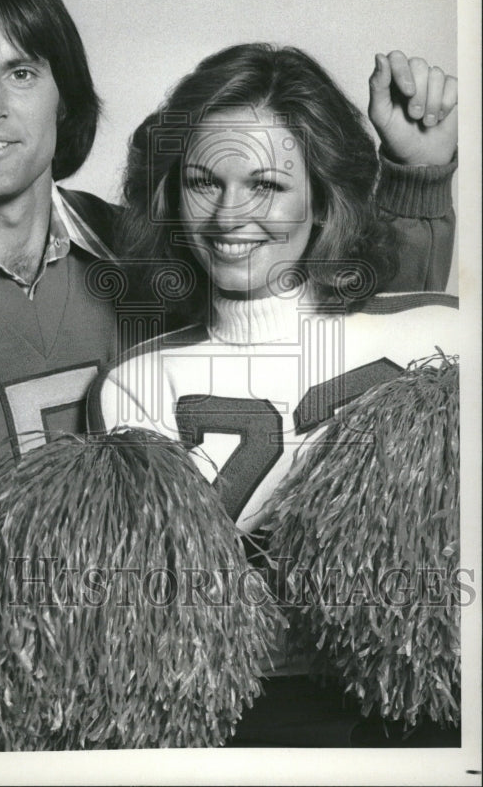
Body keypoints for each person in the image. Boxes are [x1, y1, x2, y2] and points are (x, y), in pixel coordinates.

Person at [0, 0, 456, 752]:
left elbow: (345, 326)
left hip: (164, 728)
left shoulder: (145, 254)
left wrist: (414, 177)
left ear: (64, 97)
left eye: (21, 72)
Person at [87, 41, 459, 746]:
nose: (230, 216)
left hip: (434, 719)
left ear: (322, 194)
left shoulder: (440, 330)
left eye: (264, 184)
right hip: (247, 730)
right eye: (203, 182)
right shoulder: (133, 386)